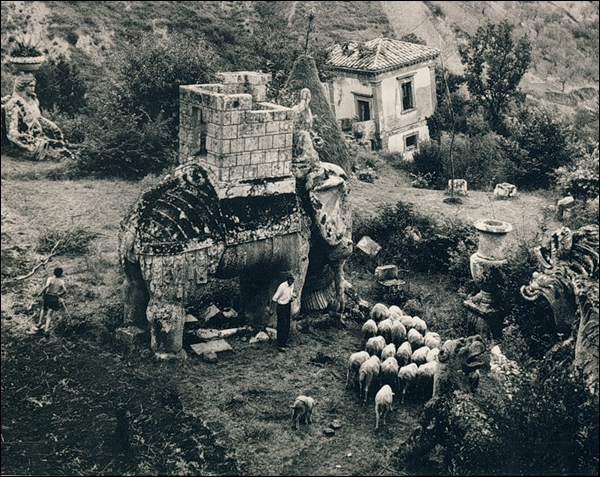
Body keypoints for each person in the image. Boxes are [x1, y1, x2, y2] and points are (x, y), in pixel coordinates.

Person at [2, 74, 73, 160]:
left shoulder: (34, 101)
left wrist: (54, 129)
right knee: (56, 152)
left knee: (60, 146)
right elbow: (11, 132)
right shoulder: (14, 103)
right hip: (27, 141)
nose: (33, 88)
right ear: (22, 87)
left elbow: (39, 118)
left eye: (34, 86)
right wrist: (29, 140)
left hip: (39, 135)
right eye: (30, 86)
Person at [36, 267, 67, 333]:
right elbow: (65, 290)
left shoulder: (50, 279)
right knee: (49, 315)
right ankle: (46, 329)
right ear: (61, 274)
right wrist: (60, 294)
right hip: (54, 297)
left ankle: (39, 323)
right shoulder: (61, 281)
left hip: (48, 296)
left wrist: (40, 293)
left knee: (43, 309)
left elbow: (46, 286)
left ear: (54, 272)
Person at [271, 274, 297, 351]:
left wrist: (292, 297)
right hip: (281, 306)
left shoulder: (292, 285)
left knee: (287, 325)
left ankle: (284, 343)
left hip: (287, 306)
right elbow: (274, 299)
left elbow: (290, 293)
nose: (291, 282)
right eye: (290, 280)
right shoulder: (282, 286)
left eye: (292, 281)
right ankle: (279, 344)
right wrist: (271, 310)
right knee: (282, 325)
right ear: (287, 279)